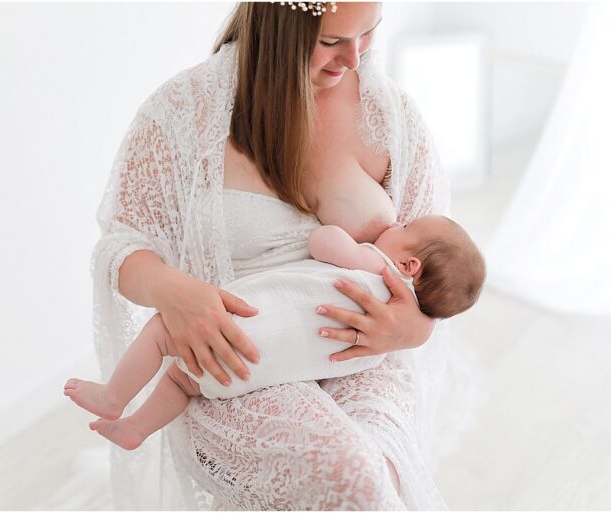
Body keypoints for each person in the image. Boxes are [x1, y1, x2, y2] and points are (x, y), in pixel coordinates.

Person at [92, 2, 454, 509]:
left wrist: (413, 328)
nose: (354, 58)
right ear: (277, 26)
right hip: (238, 358)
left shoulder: (388, 115)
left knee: (380, 470)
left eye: (368, 33)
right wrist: (176, 293)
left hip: (362, 362)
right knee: (348, 473)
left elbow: (440, 255)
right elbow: (122, 246)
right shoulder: (183, 111)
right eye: (331, 42)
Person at [69, 215, 485, 452]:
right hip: (252, 374)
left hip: (242, 326)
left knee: (162, 331)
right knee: (184, 380)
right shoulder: (381, 345)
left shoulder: (376, 265)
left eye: (405, 226)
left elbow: (324, 242)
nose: (395, 223)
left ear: (408, 266)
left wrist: (346, 236)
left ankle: (114, 398)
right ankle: (136, 429)